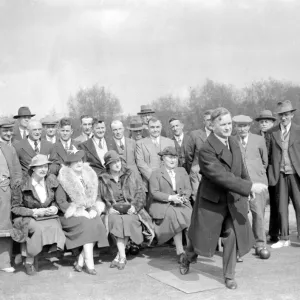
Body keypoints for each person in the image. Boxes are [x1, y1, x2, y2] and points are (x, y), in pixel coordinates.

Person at [179, 107, 268, 289]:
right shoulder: (206, 149)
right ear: (212, 126)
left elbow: (242, 169)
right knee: (200, 240)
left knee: (232, 235)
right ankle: (187, 257)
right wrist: (249, 187)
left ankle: (229, 275)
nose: (228, 127)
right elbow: (221, 176)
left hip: (233, 199)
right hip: (212, 203)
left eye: (229, 123)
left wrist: (248, 188)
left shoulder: (233, 142)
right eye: (224, 124)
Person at [55, 149, 108, 275]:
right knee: (88, 225)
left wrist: (95, 209)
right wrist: (79, 211)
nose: (79, 163)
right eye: (74, 162)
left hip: (88, 210)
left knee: (98, 223)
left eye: (80, 160)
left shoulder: (89, 175)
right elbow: (61, 201)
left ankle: (80, 260)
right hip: (70, 215)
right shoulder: (64, 179)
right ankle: (89, 263)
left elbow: (96, 196)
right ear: (69, 165)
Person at [11, 155, 66, 275]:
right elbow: (15, 208)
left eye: (45, 166)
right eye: (39, 167)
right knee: (37, 229)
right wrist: (33, 212)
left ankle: (43, 254)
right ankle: (29, 261)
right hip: (26, 216)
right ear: (33, 169)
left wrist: (54, 208)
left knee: (55, 226)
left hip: (46, 216)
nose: (43, 169)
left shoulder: (51, 179)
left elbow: (58, 200)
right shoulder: (22, 183)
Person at [98, 150, 153, 270]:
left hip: (130, 207)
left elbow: (141, 193)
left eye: (118, 161)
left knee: (127, 220)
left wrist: (134, 206)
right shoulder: (102, 179)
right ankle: (122, 256)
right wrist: (108, 209)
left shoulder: (130, 174)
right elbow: (99, 198)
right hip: (113, 210)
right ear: (108, 165)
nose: (118, 165)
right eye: (113, 163)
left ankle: (119, 256)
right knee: (117, 221)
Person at [266, 100, 300, 248]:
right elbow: (267, 156)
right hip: (279, 174)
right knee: (281, 207)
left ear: (292, 115)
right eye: (281, 115)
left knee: (299, 205)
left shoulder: (298, 131)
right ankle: (284, 237)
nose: (284, 118)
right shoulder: (271, 133)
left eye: (286, 115)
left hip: (295, 174)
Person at [149, 146, 192, 260]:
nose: (173, 160)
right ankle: (180, 251)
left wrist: (183, 197)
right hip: (163, 205)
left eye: (175, 157)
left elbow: (188, 189)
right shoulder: (156, 173)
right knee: (174, 216)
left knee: (190, 215)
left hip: (181, 203)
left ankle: (190, 249)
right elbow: (154, 192)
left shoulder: (182, 171)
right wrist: (171, 197)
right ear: (163, 159)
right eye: (169, 157)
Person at [233, 115, 269, 250]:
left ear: (249, 126)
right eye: (239, 126)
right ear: (235, 127)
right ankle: (243, 244)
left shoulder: (259, 140)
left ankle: (260, 243)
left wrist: (257, 175)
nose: (242, 129)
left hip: (258, 182)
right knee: (240, 213)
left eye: (245, 126)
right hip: (240, 183)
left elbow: (264, 161)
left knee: (258, 213)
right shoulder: (231, 140)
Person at [0, 125, 22, 273]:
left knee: (4, 225)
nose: (8, 133)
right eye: (4, 131)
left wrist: (14, 186)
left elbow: (17, 171)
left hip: (5, 190)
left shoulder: (11, 148)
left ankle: (4, 262)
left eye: (9, 131)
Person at [255, 110, 278, 242]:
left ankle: (274, 232)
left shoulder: (277, 136)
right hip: (260, 174)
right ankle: (259, 234)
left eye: (266, 122)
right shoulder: (255, 137)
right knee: (259, 204)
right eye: (261, 122)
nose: (263, 124)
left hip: (274, 173)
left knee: (276, 203)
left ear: (272, 123)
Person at [136, 117, 174, 191]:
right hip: (149, 183)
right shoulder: (140, 143)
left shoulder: (170, 142)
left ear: (161, 127)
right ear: (148, 128)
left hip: (168, 182)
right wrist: (154, 179)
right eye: (152, 127)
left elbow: (174, 161)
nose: (155, 130)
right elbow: (140, 163)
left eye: (157, 127)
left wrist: (167, 178)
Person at [186, 109, 213, 201]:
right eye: (208, 120)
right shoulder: (195, 135)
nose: (211, 122)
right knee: (199, 199)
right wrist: (194, 168)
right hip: (198, 174)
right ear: (204, 121)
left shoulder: (220, 134)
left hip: (216, 173)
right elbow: (189, 156)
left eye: (213, 119)